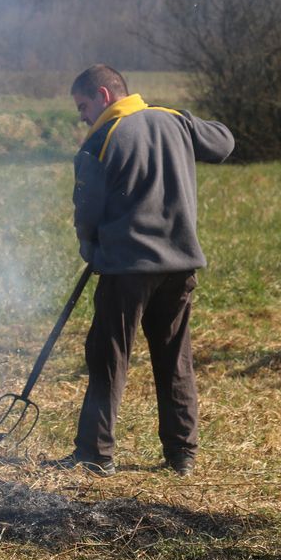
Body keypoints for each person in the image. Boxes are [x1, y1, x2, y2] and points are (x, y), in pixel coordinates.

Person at [51, 64, 234, 477]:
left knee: (108, 357)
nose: (82, 116)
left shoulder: (100, 140)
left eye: (83, 106)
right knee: (174, 356)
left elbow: (87, 211)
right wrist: (184, 121)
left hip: (127, 269)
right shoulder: (173, 120)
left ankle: (95, 454)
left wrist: (90, 249)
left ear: (103, 95)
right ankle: (182, 454)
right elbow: (223, 142)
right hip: (180, 264)